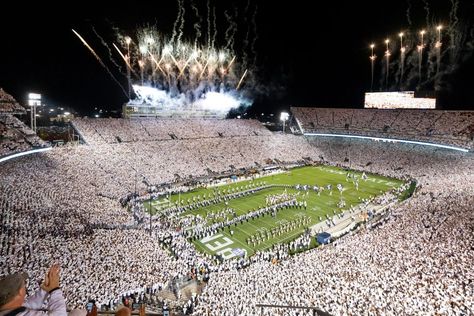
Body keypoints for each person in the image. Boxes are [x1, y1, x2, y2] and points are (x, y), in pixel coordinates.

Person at [0, 264, 67, 316]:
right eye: (24, 285)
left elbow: (30, 305)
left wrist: (44, 290)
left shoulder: (7, 309)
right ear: (20, 292)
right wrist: (55, 289)